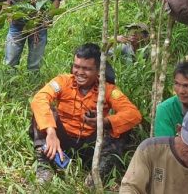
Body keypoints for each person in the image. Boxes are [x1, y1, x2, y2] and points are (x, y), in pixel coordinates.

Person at [30, 43, 142, 183]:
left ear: (99, 71)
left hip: (92, 146)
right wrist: (51, 132)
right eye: (76, 66)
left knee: (120, 128)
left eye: (86, 69)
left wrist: (104, 122)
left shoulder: (108, 90)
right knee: (43, 112)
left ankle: (99, 173)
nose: (79, 72)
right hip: (59, 142)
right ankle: (44, 165)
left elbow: (133, 114)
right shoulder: (63, 81)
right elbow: (39, 98)